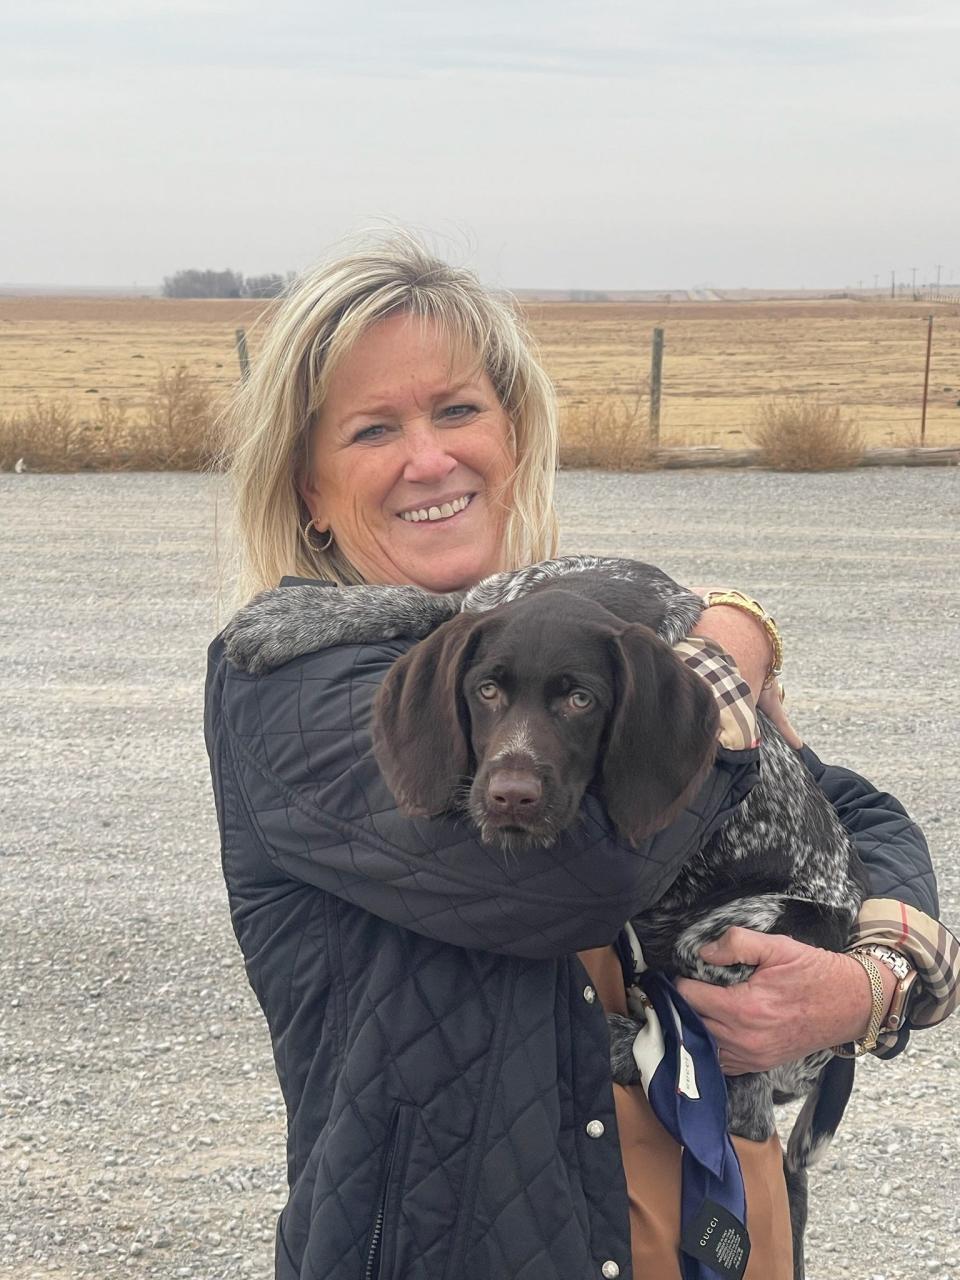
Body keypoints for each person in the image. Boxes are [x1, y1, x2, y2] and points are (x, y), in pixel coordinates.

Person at [204, 235, 958, 1280]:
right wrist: (729, 650)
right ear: (308, 489)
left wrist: (874, 983)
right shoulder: (286, 685)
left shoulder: (580, 629)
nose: (430, 458)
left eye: (458, 410)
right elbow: (570, 882)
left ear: (514, 438)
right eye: (375, 428)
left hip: (710, 1204)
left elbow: (850, 807)